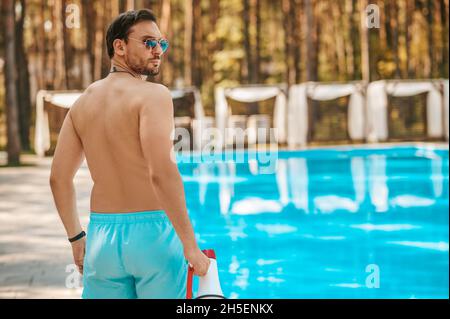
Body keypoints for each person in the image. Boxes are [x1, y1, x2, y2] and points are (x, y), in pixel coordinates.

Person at [49, 8, 210, 299]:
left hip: (102, 239)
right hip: (154, 237)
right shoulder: (154, 95)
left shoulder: (82, 104)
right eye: (148, 42)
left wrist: (76, 238)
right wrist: (190, 245)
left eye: (161, 43)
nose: (157, 50)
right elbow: (161, 172)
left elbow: (59, 178)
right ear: (119, 47)